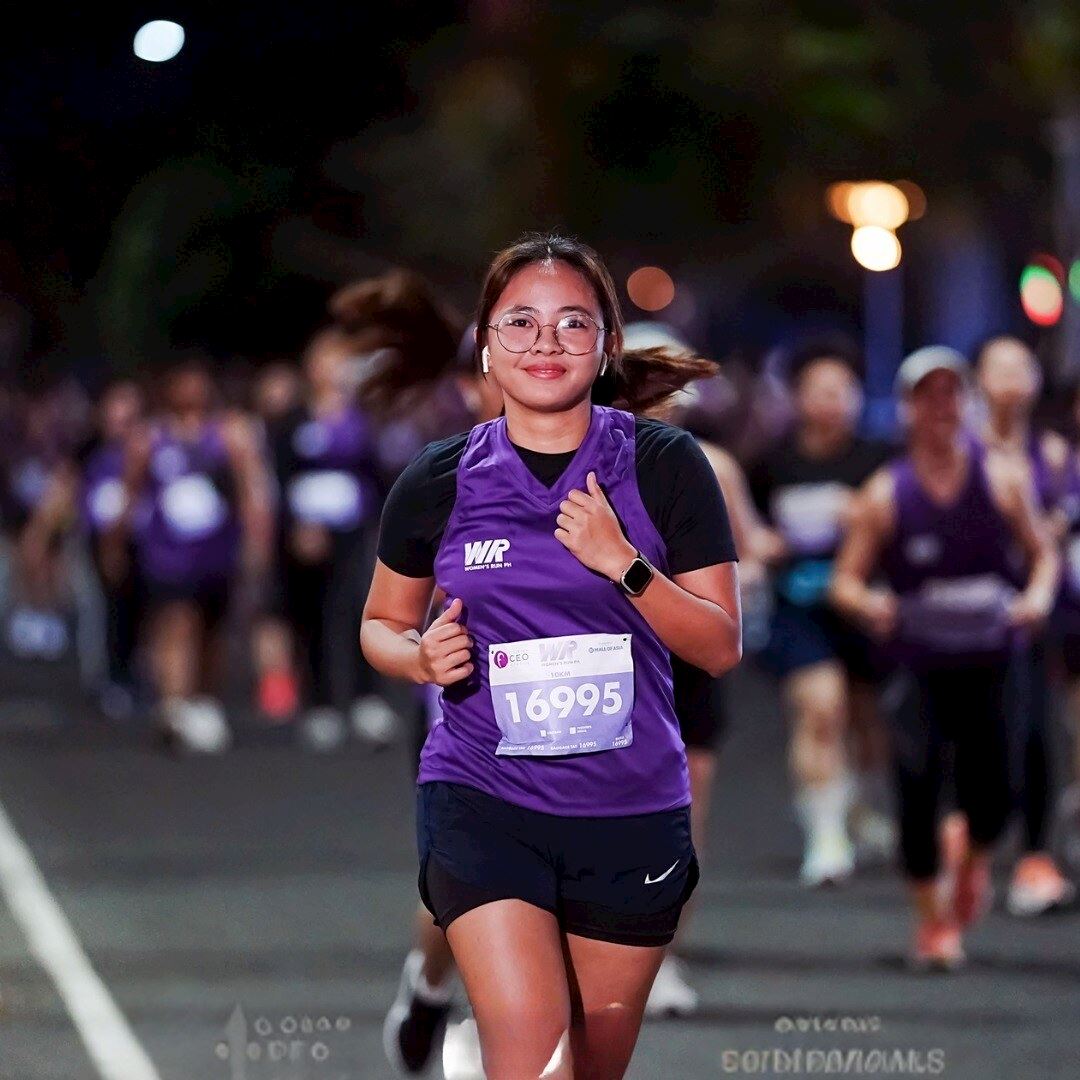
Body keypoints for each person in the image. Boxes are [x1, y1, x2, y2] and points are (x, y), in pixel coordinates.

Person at [362, 232, 741, 1079]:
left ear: (607, 345)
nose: (547, 343)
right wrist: (419, 658)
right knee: (535, 1056)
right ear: (486, 344)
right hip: (484, 799)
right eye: (522, 323)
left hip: (629, 811)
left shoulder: (665, 465)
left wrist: (626, 566)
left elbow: (719, 645)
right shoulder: (439, 479)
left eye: (574, 323)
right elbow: (380, 624)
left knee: (591, 1068)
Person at [831, 346, 1058, 969]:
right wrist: (870, 603)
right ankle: (934, 925)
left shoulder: (1003, 476)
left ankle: (976, 855)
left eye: (951, 395)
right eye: (927, 397)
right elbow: (844, 580)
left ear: (967, 403)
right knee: (917, 784)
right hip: (918, 661)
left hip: (992, 654)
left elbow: (1043, 555)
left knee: (997, 794)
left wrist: (1036, 598)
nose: (940, 409)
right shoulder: (886, 493)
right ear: (906, 409)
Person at [750, 340, 895, 886]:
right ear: (798, 398)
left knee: (866, 722)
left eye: (842, 390)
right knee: (819, 707)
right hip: (798, 609)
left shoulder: (879, 459)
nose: (831, 401)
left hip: (863, 607)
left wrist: (862, 519)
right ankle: (826, 838)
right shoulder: (771, 462)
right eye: (820, 390)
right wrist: (765, 542)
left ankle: (857, 804)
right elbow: (746, 524)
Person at [103, 358, 272, 752]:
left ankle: (205, 702)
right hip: (167, 553)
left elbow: (252, 493)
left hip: (216, 551)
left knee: (213, 630)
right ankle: (174, 705)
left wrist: (256, 543)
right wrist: (114, 544)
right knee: (176, 622)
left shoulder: (230, 434)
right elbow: (128, 494)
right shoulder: (150, 437)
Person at [974, 336, 1075, 916]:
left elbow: (1058, 534)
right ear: (980, 380)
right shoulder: (960, 450)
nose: (1012, 379)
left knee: (1038, 732)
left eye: (1022, 368)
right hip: (967, 622)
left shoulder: (1054, 454)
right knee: (979, 739)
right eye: (999, 367)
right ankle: (974, 853)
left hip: (1036, 617)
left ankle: (1037, 857)